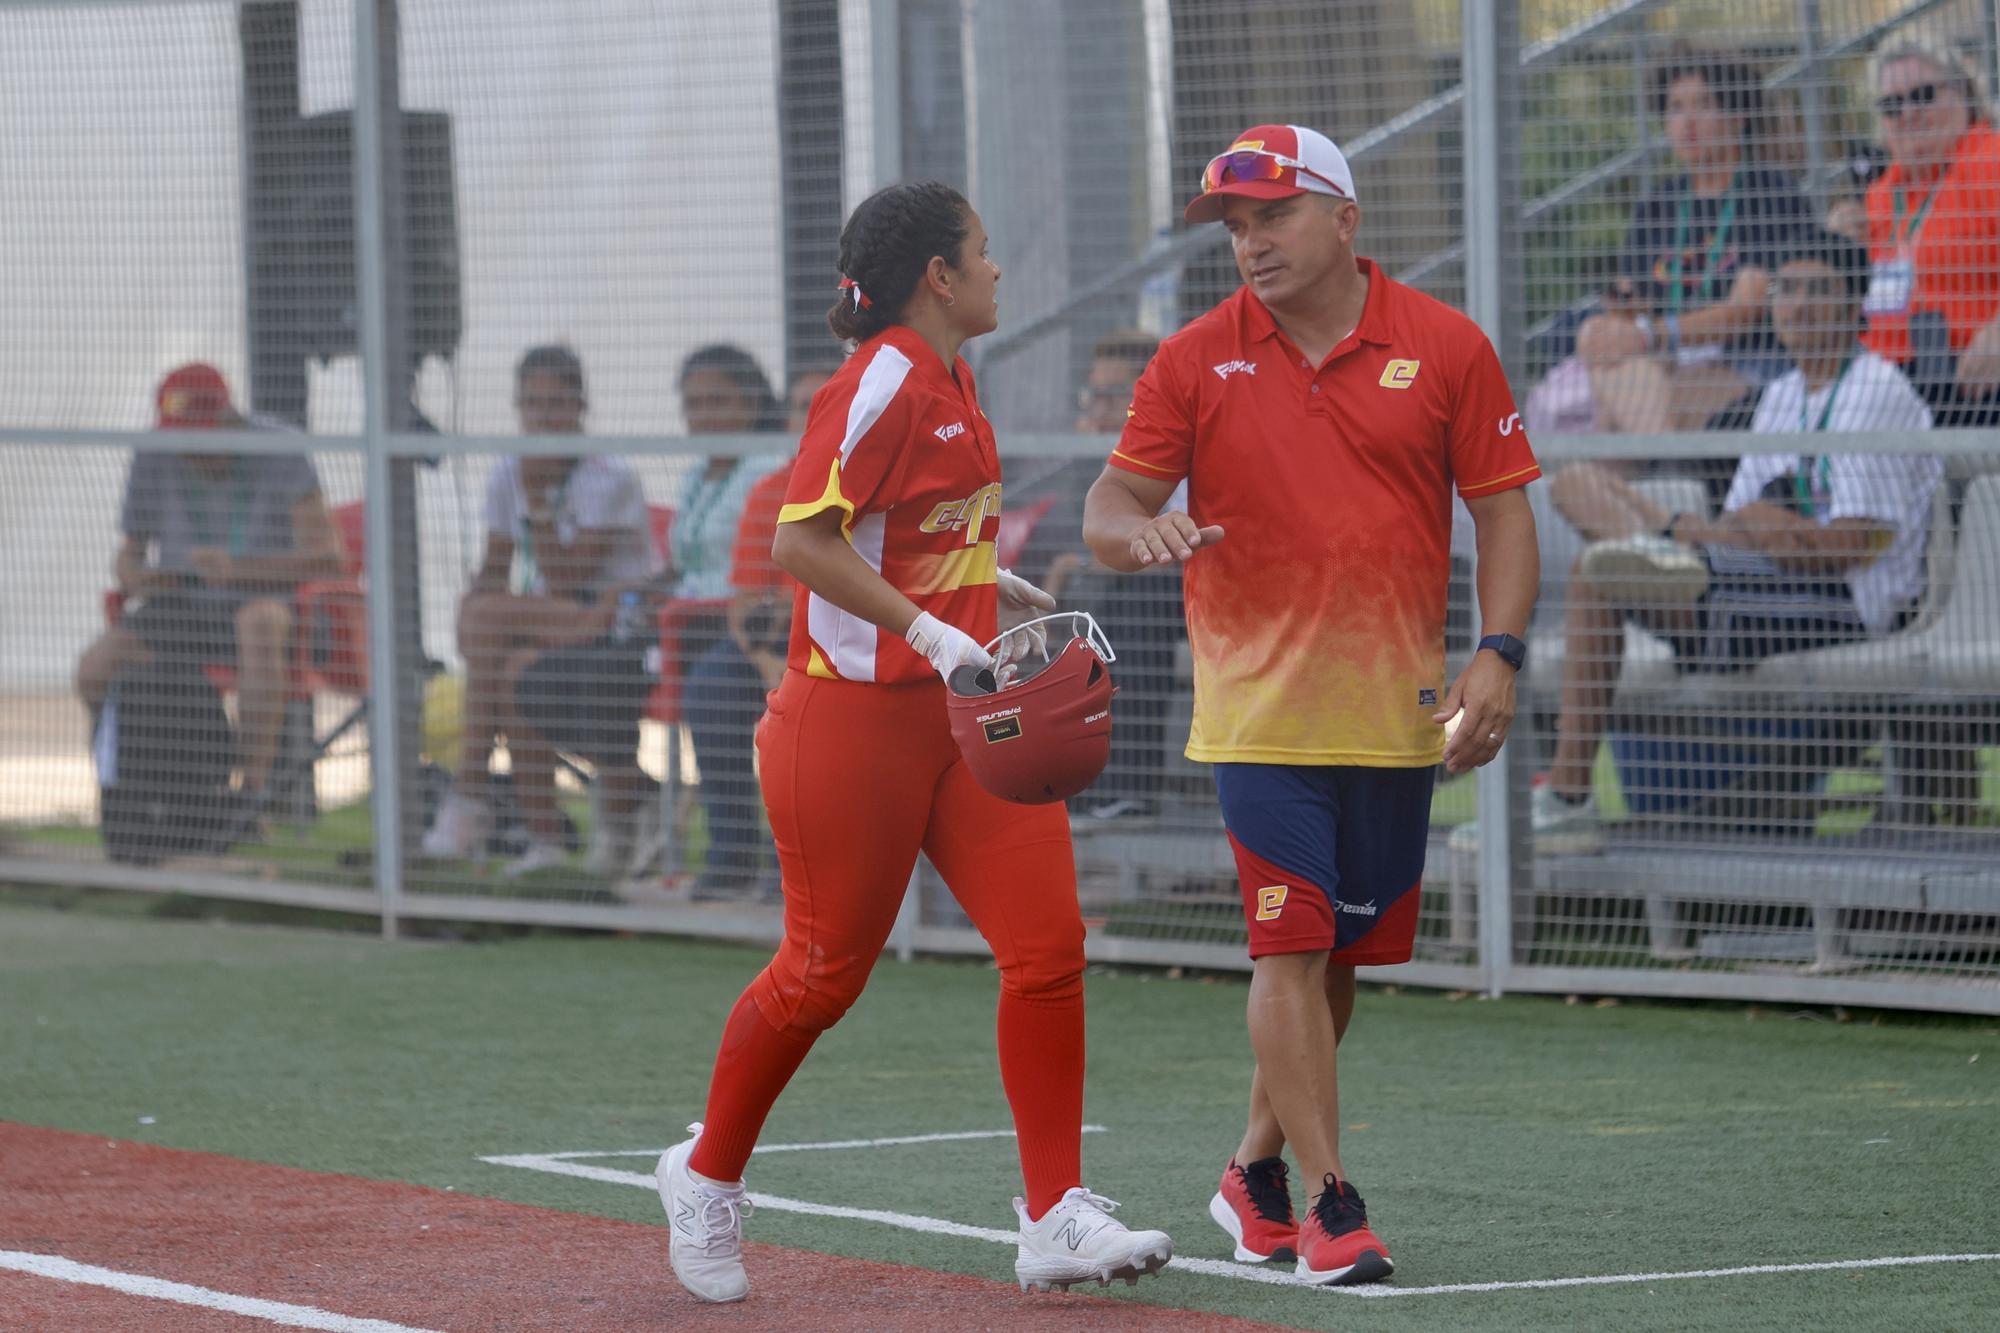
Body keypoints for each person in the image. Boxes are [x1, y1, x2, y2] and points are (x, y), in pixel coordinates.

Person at [655, 180, 1172, 1305]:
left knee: (1046, 949)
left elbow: (919, 530)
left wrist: (995, 586)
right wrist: (941, 631)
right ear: (937, 276)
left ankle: (1051, 1215)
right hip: (847, 720)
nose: (996, 270)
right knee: (819, 976)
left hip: (956, 711)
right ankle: (701, 1173)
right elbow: (801, 543)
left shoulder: (946, 371)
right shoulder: (883, 376)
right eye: (983, 253)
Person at [1082, 125, 1541, 1285]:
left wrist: (1497, 653)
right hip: (1253, 718)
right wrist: (1139, 533)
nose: (1249, 244)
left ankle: (1251, 1171)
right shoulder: (1191, 358)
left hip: (1394, 714)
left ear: (1343, 218)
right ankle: (1332, 1204)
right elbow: (1108, 501)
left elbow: (1502, 513)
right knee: (1287, 947)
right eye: (1233, 227)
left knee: (1336, 959)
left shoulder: (1444, 346)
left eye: (1271, 216)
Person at [1467, 229, 1939, 855]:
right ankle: (1664, 548)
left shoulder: (1873, 389)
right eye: (1786, 289)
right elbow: (1747, 520)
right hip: (1769, 576)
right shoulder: (1784, 393)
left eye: (1818, 290)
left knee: (1597, 572)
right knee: (1579, 485)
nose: (1796, 305)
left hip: (1844, 604)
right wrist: (1764, 531)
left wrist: (1768, 530)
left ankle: (1569, 795)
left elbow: (1850, 546)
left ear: (1856, 305)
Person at [421, 345, 661, 876]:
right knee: (504, 666)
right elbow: (496, 564)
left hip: (614, 619)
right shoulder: (509, 470)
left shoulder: (608, 475)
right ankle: (544, 840)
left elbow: (569, 575)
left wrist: (537, 502)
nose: (542, 418)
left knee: (490, 622)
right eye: (531, 405)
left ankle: (469, 795)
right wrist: (475, 598)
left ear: (580, 406)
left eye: (555, 405)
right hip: (548, 616)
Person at [76, 363, 346, 812]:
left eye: (198, 436)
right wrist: (136, 577)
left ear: (228, 419)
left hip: (267, 603)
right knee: (95, 668)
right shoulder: (152, 454)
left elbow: (330, 558)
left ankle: (251, 797)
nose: (187, 450)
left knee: (259, 623)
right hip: (186, 605)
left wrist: (237, 569)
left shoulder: (280, 448)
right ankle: (121, 796)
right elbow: (129, 553)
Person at [1576, 49, 1812, 439]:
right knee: (1595, 340)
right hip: (1662, 366)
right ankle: (1665, 457)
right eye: (1675, 108)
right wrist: (1623, 317)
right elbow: (1633, 309)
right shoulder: (1657, 206)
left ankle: (1659, 458)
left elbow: (1745, 310)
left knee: (1616, 424)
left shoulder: (1772, 196)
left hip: (1749, 363)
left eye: (1704, 105)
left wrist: (1649, 333)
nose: (1687, 123)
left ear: (1738, 117)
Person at [1018, 328, 1186, 825]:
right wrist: (1073, 567)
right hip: (1142, 582)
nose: (1099, 410)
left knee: (1134, 599)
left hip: (1202, 585)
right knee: (1085, 605)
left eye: (1114, 396)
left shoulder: (1178, 438)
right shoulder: (1106, 460)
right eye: (1095, 395)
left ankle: (1129, 790)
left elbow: (1176, 544)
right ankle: (1071, 777)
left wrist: (1083, 565)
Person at [676, 367, 830, 897]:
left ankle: (805, 864)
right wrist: (775, 670)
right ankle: (733, 854)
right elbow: (745, 605)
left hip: (859, 647)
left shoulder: (883, 480)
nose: (808, 416)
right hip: (779, 649)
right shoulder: (770, 491)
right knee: (711, 686)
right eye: (798, 406)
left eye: (822, 402)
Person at [660, 344, 790, 894]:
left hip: (775, 625)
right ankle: (732, 855)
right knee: (709, 684)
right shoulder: (698, 474)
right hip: (717, 626)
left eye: (717, 400)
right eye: (693, 403)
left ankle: (784, 857)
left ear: (751, 401)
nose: (703, 415)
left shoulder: (765, 465)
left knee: (726, 685)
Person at [1858, 35, 2000, 428]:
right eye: (1892, 105)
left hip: (1970, 376)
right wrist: (1838, 247)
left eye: (1922, 95)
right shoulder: (1880, 194)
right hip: (1884, 377)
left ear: (1964, 96)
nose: (1907, 113)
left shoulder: (1991, 159)